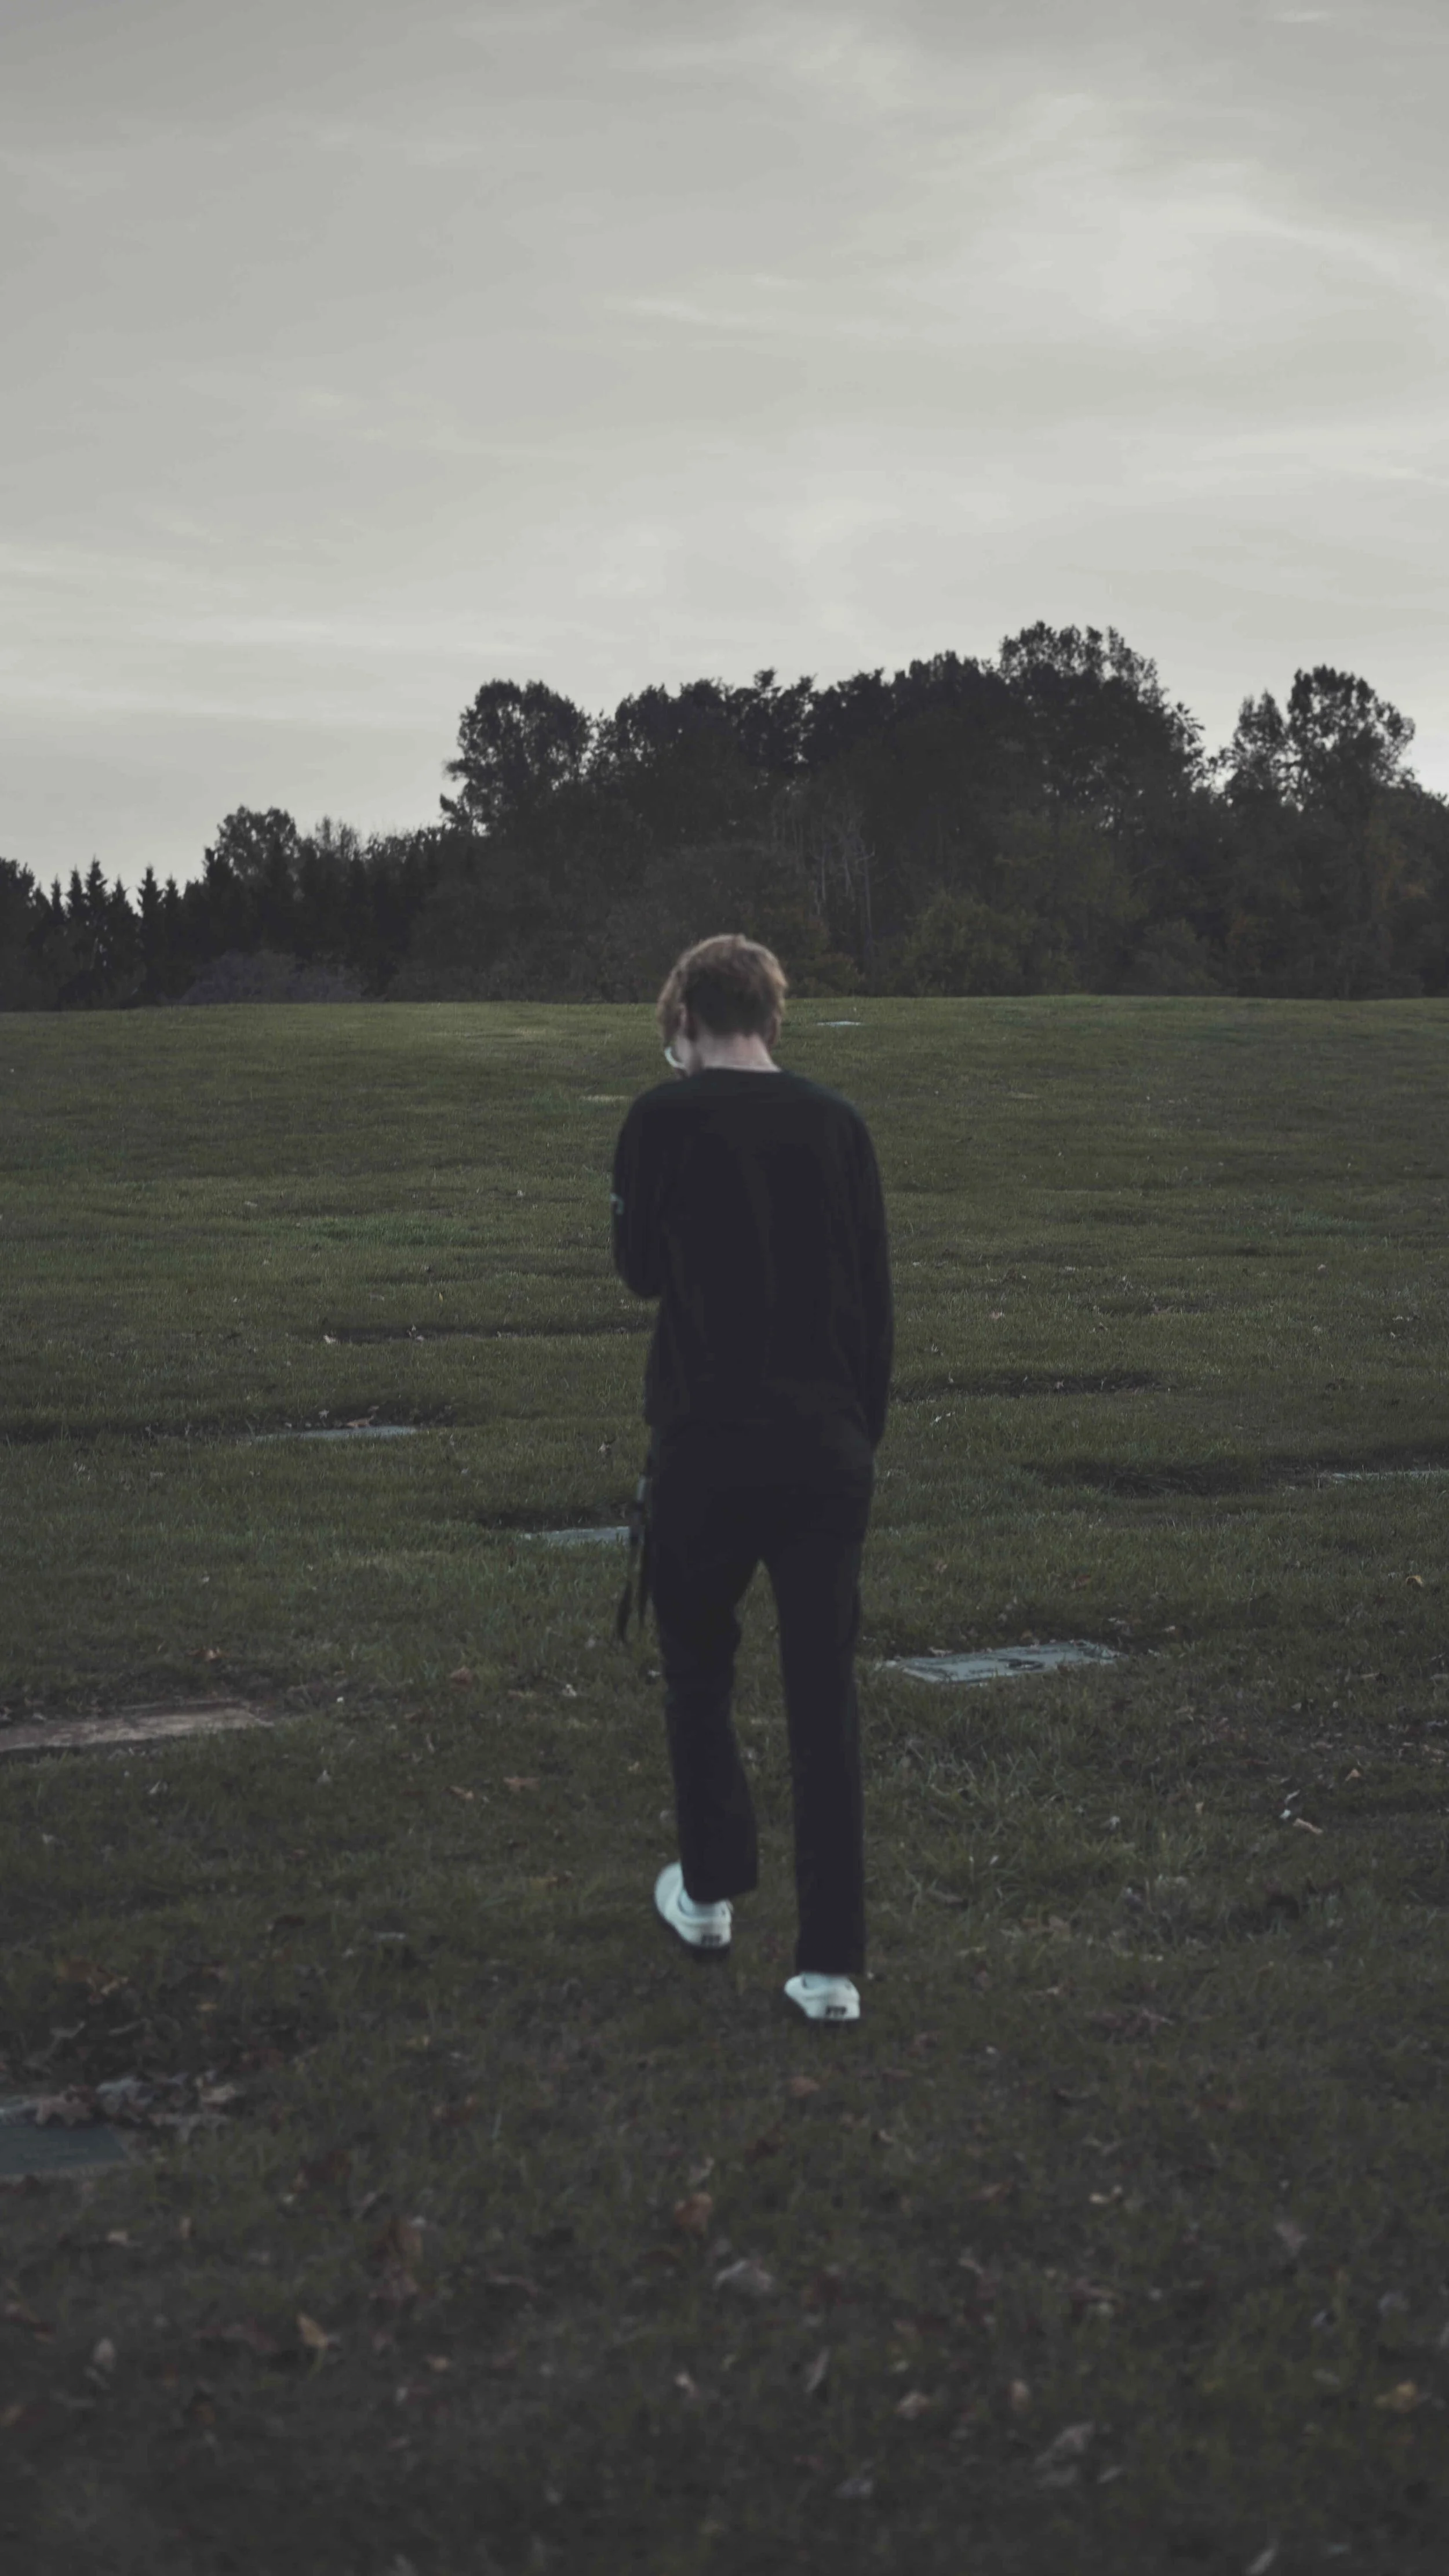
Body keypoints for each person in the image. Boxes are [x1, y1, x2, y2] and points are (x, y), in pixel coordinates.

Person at [610, 933, 893, 2022]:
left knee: (698, 1669)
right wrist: (862, 1431)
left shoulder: (660, 1118)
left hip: (705, 1441)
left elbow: (638, 1273)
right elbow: (874, 1298)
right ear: (772, 1017)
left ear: (684, 1019)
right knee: (825, 1698)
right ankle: (829, 1967)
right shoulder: (840, 1125)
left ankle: (712, 1889)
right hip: (826, 1444)